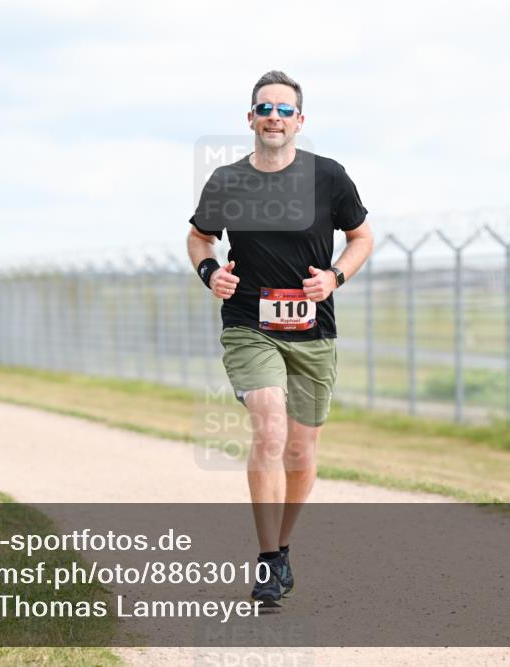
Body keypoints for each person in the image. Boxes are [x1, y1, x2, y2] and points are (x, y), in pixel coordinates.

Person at [187, 71, 373, 607]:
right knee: (269, 428)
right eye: (265, 108)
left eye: (285, 110)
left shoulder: (328, 177)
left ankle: (283, 547)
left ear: (299, 121)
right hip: (249, 324)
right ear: (250, 118)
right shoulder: (226, 181)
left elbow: (361, 237)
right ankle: (268, 559)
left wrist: (334, 277)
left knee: (300, 448)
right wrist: (210, 273)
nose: (274, 117)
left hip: (313, 330)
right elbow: (200, 237)